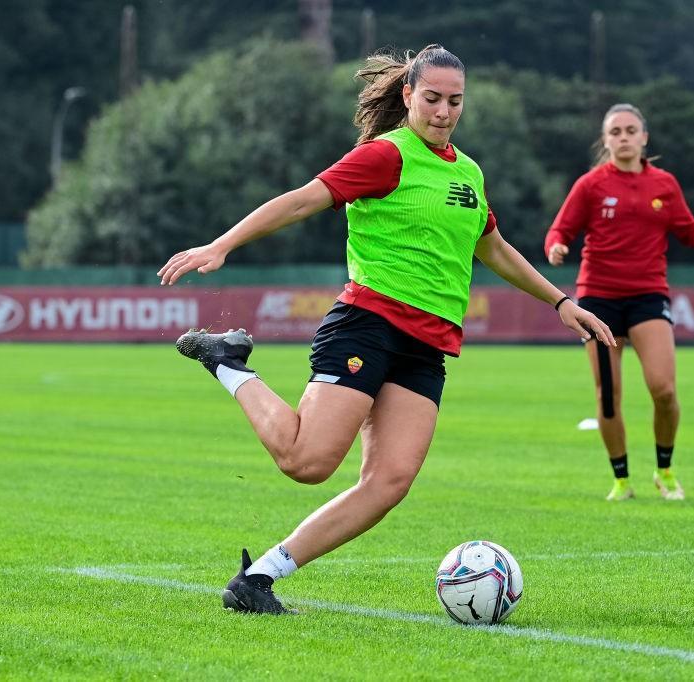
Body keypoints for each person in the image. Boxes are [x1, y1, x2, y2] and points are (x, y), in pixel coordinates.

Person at [157, 45, 616, 615]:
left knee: (389, 482)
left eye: (454, 101)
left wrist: (559, 301)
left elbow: (489, 245)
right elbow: (303, 201)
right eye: (432, 99)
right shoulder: (386, 156)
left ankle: (258, 578)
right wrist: (222, 244)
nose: (444, 112)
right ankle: (228, 362)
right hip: (368, 326)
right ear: (408, 96)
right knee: (308, 463)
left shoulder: (468, 171)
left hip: (427, 348)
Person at [544, 103, 694, 503]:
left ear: (644, 137)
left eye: (631, 130)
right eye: (615, 132)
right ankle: (622, 480)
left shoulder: (663, 184)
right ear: (606, 140)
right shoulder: (591, 185)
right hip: (599, 300)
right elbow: (561, 228)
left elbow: (687, 229)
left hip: (648, 295)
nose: (623, 137)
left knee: (663, 389)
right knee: (608, 397)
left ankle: (664, 470)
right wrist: (556, 246)